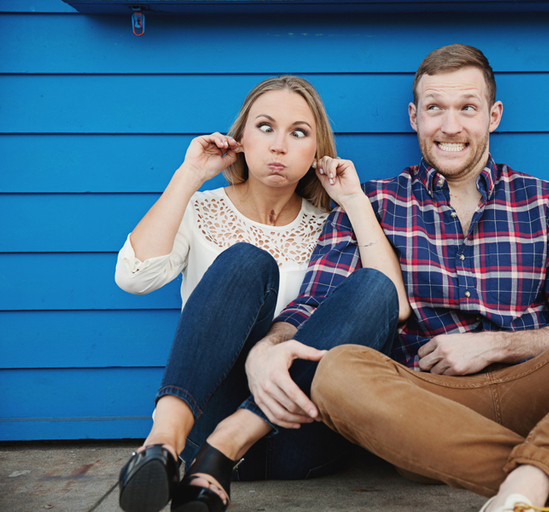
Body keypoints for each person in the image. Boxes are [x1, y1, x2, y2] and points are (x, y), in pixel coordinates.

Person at [267, 46, 549, 512]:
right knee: (338, 374)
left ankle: (526, 490)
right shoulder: (370, 201)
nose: (450, 126)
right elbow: (316, 306)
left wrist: (498, 345)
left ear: (493, 115)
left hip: (543, 393)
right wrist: (270, 347)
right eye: (434, 108)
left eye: (467, 107)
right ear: (414, 116)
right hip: (425, 404)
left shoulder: (546, 203)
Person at [114, 76, 411, 512]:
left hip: (303, 433)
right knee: (246, 261)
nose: (279, 146)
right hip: (207, 419)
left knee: (371, 284)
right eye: (266, 127)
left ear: (315, 152)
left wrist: (354, 202)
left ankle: (226, 445)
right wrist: (190, 174)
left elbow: (390, 303)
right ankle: (162, 445)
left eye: (298, 133)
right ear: (241, 139)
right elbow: (133, 277)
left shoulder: (331, 224)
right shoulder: (204, 208)